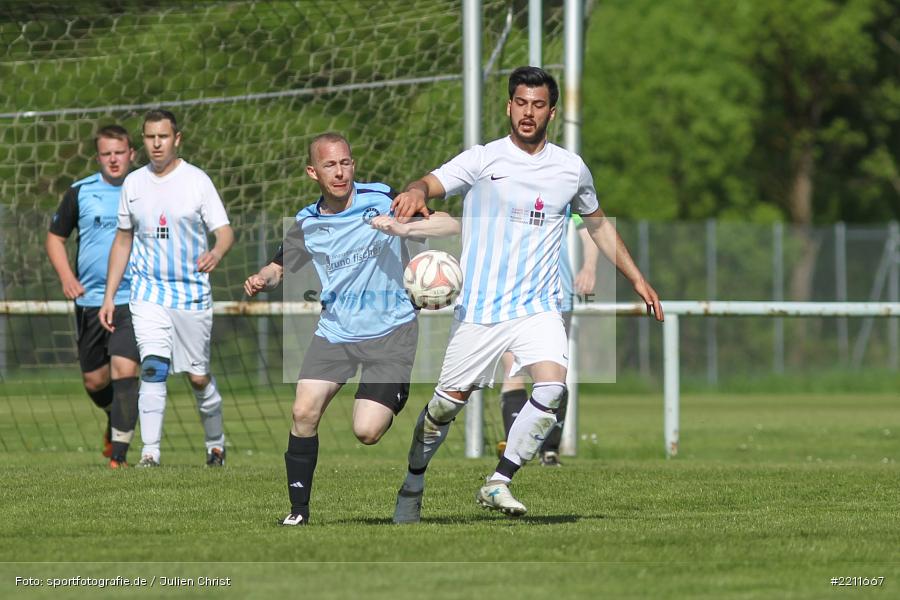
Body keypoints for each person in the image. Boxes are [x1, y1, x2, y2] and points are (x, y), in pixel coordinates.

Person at [390, 66, 664, 523]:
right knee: (443, 408)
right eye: (520, 102)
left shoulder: (570, 168)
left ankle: (499, 481)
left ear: (551, 113)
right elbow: (430, 182)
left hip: (538, 307)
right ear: (508, 106)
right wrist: (414, 192)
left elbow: (596, 223)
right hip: (480, 312)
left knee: (553, 387)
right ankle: (413, 483)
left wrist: (636, 278)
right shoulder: (483, 159)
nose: (528, 112)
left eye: (538, 105)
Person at [243, 132, 456, 526]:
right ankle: (298, 513)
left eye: (345, 163)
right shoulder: (306, 223)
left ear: (353, 164)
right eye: (329, 165)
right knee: (303, 412)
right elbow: (277, 267)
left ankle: (410, 406)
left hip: (391, 331)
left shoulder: (382, 198)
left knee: (367, 431)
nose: (339, 172)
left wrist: (404, 229)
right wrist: (261, 278)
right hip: (336, 333)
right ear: (313, 171)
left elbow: (449, 226)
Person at [99, 109, 234, 468]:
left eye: (162, 137)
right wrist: (110, 296)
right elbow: (123, 241)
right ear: (142, 141)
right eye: (149, 137)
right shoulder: (134, 183)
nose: (156, 144)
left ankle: (216, 444)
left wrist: (216, 252)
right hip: (148, 293)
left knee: (197, 376)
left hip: (191, 294)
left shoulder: (197, 181)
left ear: (177, 139)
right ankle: (150, 452)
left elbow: (224, 231)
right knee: (154, 367)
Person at [46, 125, 141, 468]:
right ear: (98, 157)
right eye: (106, 153)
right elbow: (55, 238)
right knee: (95, 380)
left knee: (124, 369)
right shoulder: (80, 191)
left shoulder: (147, 189)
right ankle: (117, 417)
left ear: (132, 154)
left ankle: (119, 456)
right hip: (90, 301)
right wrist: (67, 277)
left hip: (135, 297)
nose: (114, 160)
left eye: (120, 152)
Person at [496, 214, 598, 467]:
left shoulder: (562, 191)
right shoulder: (505, 191)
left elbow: (590, 230)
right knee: (512, 371)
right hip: (511, 295)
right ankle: (516, 451)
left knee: (553, 375)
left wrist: (589, 267)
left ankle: (550, 451)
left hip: (556, 294)